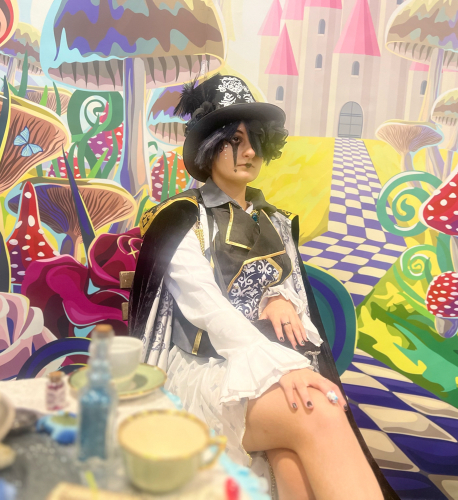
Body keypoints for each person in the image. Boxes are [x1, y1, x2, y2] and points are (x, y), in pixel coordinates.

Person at [129, 74, 398, 500]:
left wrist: (278, 296)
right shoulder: (182, 218)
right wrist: (283, 367)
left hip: (267, 362)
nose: (250, 151)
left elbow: (295, 297)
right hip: (209, 368)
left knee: (292, 458)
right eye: (234, 140)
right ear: (208, 147)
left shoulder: (275, 221)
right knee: (319, 412)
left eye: (255, 138)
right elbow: (209, 310)